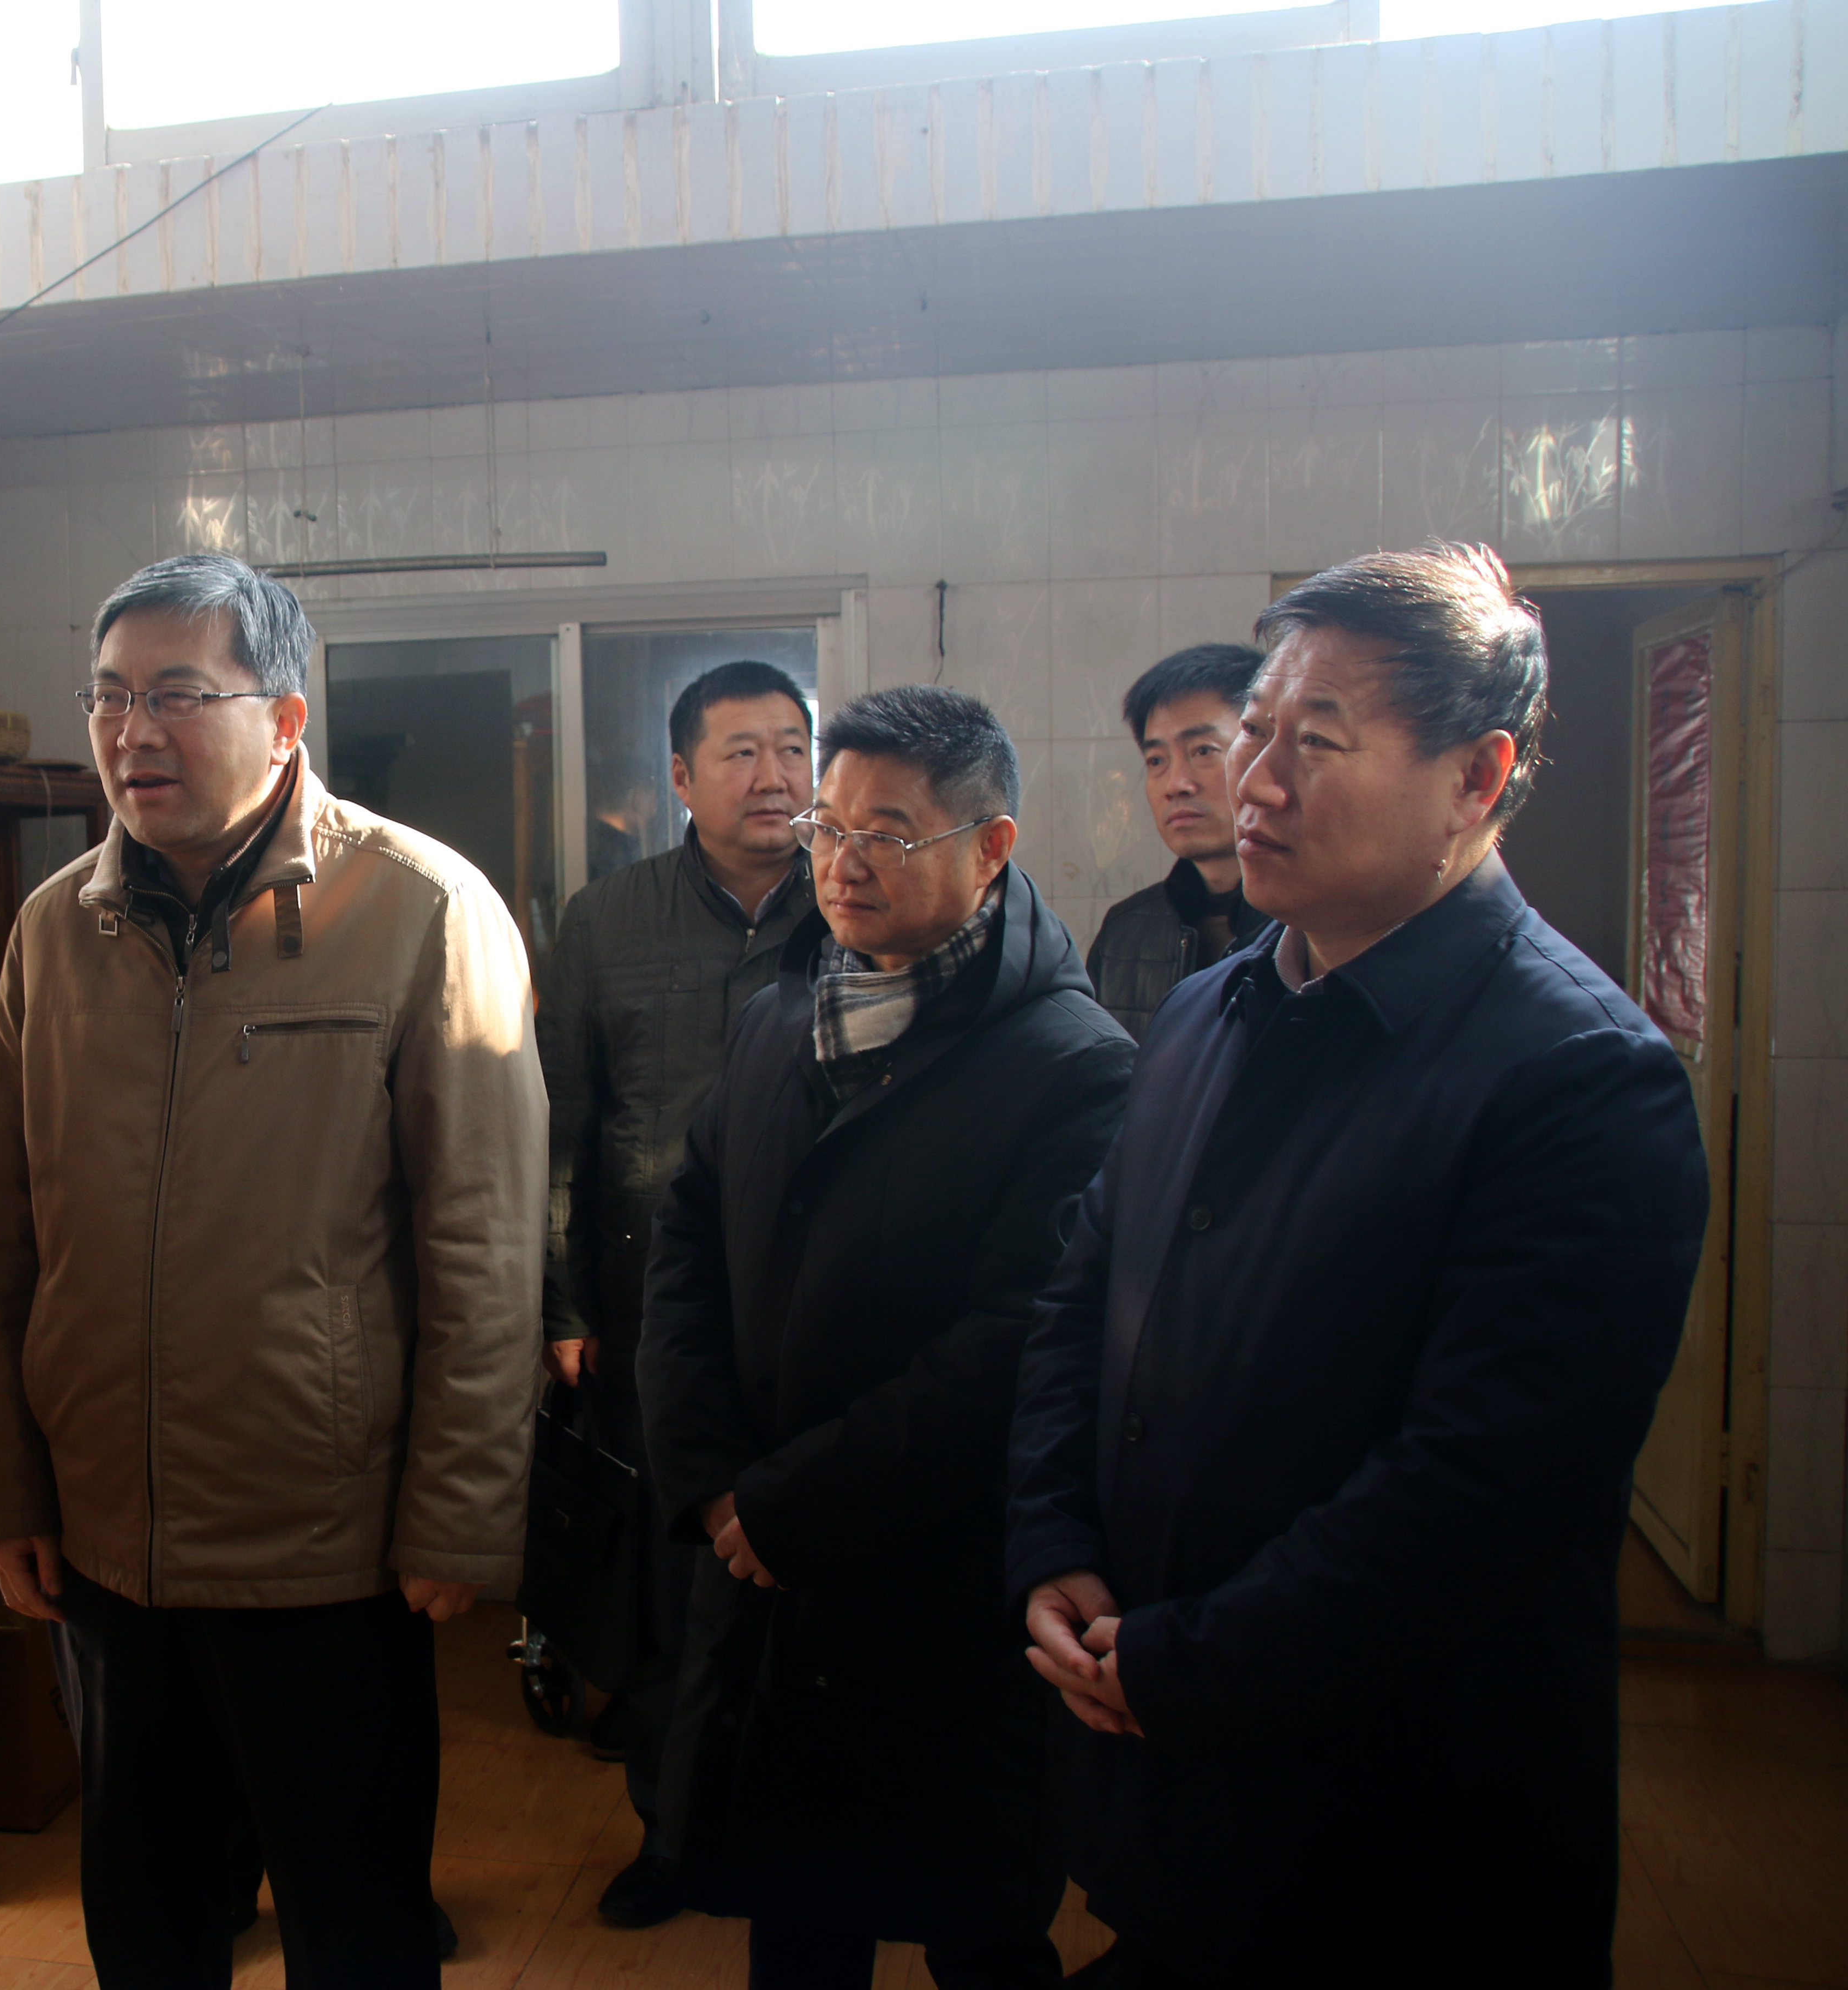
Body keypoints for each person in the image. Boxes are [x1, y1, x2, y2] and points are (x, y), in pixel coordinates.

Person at [1006, 544, 1708, 1989]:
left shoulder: (1578, 1077)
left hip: (1401, 1831)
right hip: (1170, 1781)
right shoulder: (1208, 1011)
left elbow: (1474, 1495)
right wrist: (1053, 1543)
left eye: (1316, 744)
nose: (1254, 784)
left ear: (1477, 775)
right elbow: (1087, 1292)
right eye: (1256, 730)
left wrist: (1180, 1662)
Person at [0, 553, 545, 1990]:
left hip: (325, 1543)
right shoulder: (57, 929)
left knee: (354, 1927)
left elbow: (483, 1239)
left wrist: (459, 1513)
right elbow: (9, 1231)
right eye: (109, 698)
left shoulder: (419, 910)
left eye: (177, 695)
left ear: (285, 718)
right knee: (147, 1921)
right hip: (109, 1540)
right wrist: (8, 1488)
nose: (131, 733)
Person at [641, 685, 1132, 1989]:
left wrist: (789, 1506)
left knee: (974, 1930)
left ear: (992, 847)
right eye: (829, 825)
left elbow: (1019, 1340)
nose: (843, 862)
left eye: (891, 834)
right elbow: (687, 1234)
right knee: (795, 1922)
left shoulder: (1073, 1064)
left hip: (937, 1591)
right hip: (762, 1566)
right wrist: (709, 1480)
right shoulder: (780, 1018)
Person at [535, 658, 820, 1928]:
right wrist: (562, 1308)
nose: (773, 775)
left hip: (818, 1317)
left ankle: (803, 1837)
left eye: (792, 748)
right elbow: (563, 1125)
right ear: (680, 779)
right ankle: (671, 1837)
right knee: (665, 1596)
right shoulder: (608, 921)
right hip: (652, 1325)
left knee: (807, 1581)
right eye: (741, 751)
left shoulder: (856, 901)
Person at [1084, 643, 1269, 1038]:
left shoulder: (1312, 926)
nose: (1176, 784)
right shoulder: (1124, 933)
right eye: (1157, 761)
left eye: (1203, 751)